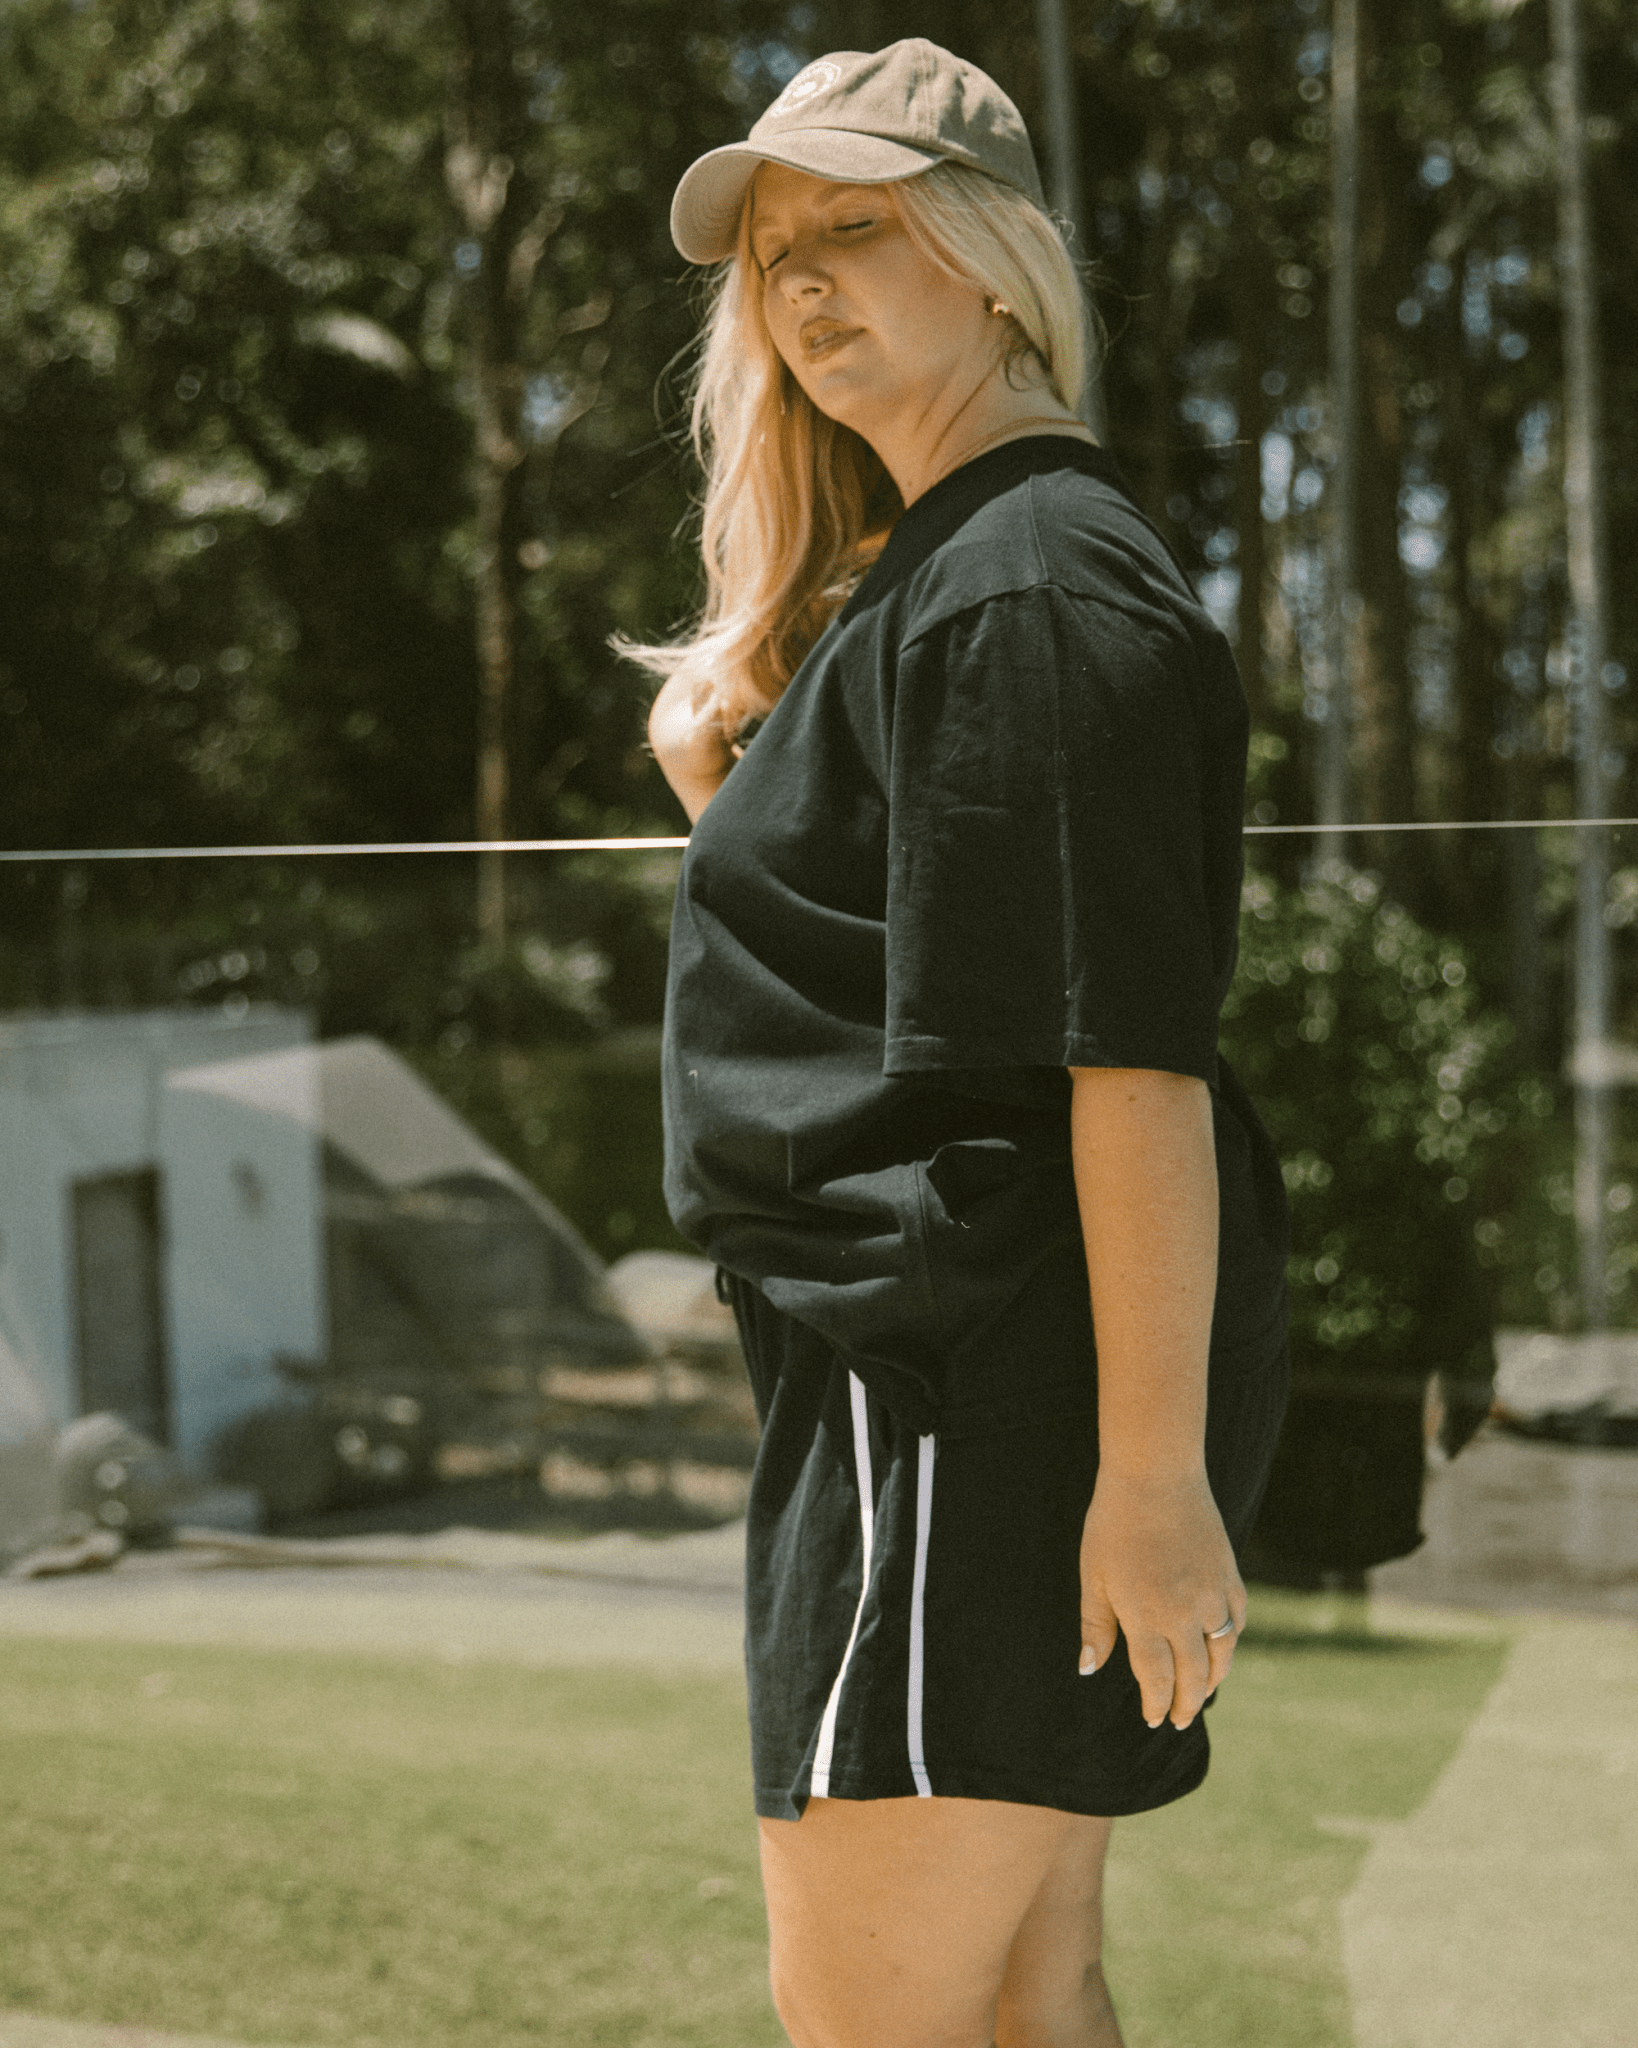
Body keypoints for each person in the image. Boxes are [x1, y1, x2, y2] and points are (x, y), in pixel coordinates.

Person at [623, 39, 1290, 2048]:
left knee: (874, 2019)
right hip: (978, 1382)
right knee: (1027, 1994)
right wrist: (726, 787)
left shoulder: (1026, 582)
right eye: (773, 253)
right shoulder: (970, 563)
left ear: (994, 261)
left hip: (958, 1395)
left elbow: (1127, 1061)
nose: (803, 282)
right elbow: (902, 988)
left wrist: (1150, 1482)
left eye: (857, 226)